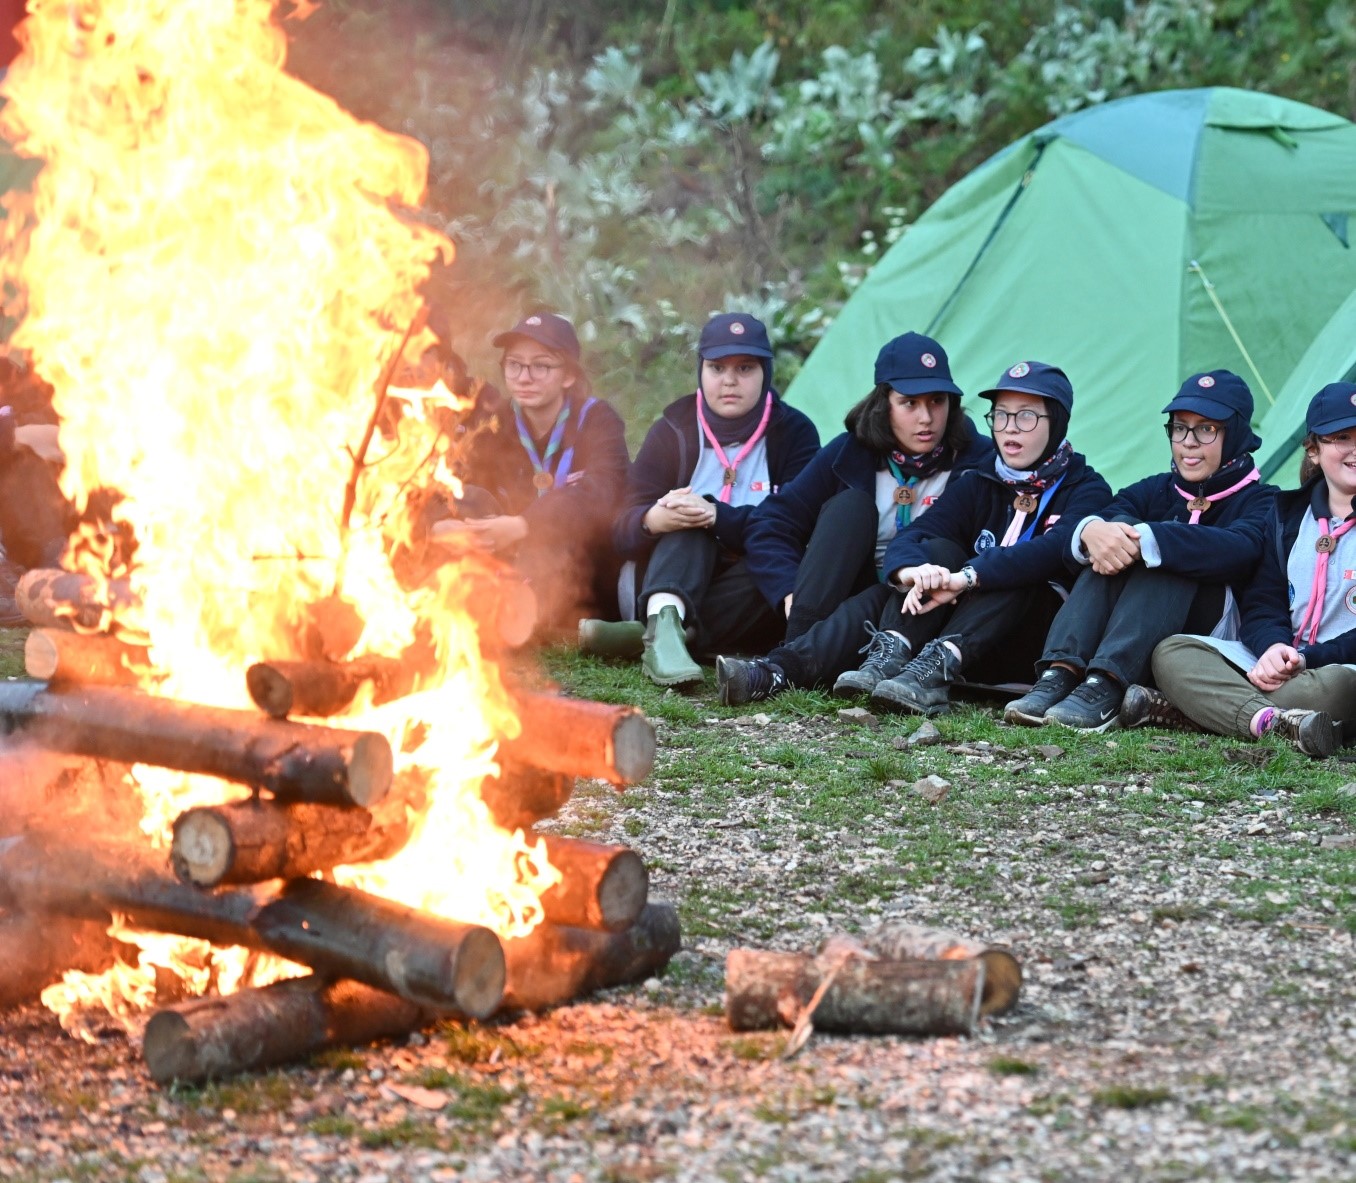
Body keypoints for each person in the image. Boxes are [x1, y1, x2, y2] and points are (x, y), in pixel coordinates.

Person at [716, 361, 1112, 714]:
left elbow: (1048, 551)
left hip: (1025, 641)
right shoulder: (981, 481)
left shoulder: (1087, 488)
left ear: (1056, 421)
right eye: (1002, 415)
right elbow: (920, 531)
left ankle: (919, 665)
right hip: (950, 638)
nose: (1010, 428)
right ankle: (778, 671)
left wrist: (968, 577)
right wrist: (911, 571)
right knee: (924, 563)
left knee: (1013, 568)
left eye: (1026, 417)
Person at [1002, 370, 1275, 730]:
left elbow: (1241, 550)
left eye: (1206, 429)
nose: (1188, 442)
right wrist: (1094, 531)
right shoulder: (1153, 490)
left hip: (1212, 640)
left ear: (1235, 433)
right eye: (1179, 428)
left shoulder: (1263, 500)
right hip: (1145, 625)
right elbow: (1106, 519)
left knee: (1166, 557)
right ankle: (1061, 672)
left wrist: (1150, 539)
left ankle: (1108, 683)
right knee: (1109, 549)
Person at [581, 313, 820, 686]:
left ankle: (661, 636)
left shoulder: (795, 434)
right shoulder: (672, 428)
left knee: (779, 565)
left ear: (766, 372)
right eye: (717, 367)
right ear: (701, 371)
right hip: (670, 573)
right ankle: (666, 624)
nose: (729, 380)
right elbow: (619, 526)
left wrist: (719, 517)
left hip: (747, 587)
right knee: (688, 520)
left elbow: (801, 526)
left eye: (745, 368)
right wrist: (652, 520)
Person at [1129, 381, 1356, 758]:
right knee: (1173, 652)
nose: (1353, 449)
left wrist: (1307, 659)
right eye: (1341, 437)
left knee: (1330, 689)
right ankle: (1275, 722)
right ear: (1314, 451)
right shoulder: (1284, 515)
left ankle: (1198, 711)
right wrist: (1272, 647)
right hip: (1278, 663)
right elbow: (1262, 600)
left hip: (1337, 670)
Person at [742, 331, 993, 644]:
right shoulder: (848, 453)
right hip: (851, 593)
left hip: (932, 606)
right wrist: (790, 594)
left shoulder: (980, 461)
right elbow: (770, 524)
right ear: (883, 404)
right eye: (909, 403)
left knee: (941, 545)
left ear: (952, 403)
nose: (926, 418)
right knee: (850, 508)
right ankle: (800, 641)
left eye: (937, 401)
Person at [439, 312, 629, 635]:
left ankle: (512, 616)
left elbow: (601, 493)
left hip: (584, 568)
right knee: (470, 503)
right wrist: (444, 524)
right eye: (514, 365)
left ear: (568, 375)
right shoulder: (492, 423)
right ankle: (480, 606)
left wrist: (523, 525)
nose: (524, 377)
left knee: (562, 531)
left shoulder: (596, 420)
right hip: (509, 558)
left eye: (540, 366)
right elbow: (460, 485)